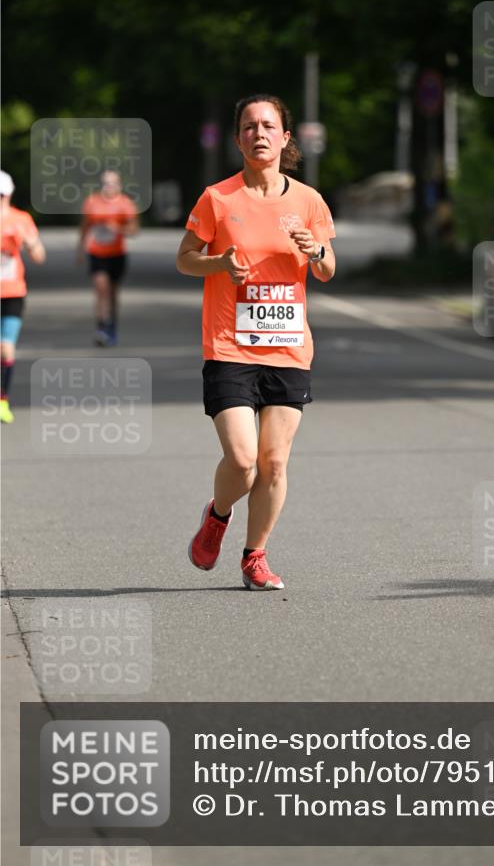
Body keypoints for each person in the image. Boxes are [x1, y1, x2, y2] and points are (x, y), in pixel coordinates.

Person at [176, 94, 336, 590]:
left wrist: (317, 252)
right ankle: (218, 515)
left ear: (285, 138)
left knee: (274, 462)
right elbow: (185, 258)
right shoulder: (218, 198)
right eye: (249, 126)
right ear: (238, 138)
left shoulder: (308, 201)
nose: (259, 133)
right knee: (244, 461)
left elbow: (328, 270)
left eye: (269, 125)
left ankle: (255, 557)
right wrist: (219, 263)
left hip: (288, 348)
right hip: (229, 346)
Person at [0, 170, 46, 424]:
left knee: (6, 349)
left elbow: (40, 257)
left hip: (12, 292)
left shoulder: (21, 219)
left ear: (9, 194)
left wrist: (31, 243)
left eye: (2, 195)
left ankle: (2, 400)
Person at [77, 170, 139, 346]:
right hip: (96, 253)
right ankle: (101, 328)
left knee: (112, 294)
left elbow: (134, 230)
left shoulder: (126, 204)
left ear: (119, 185)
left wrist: (117, 229)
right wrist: (80, 250)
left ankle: (112, 327)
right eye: (105, 183)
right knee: (101, 289)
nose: (108, 186)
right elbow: (85, 227)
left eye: (112, 183)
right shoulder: (92, 202)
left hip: (117, 254)